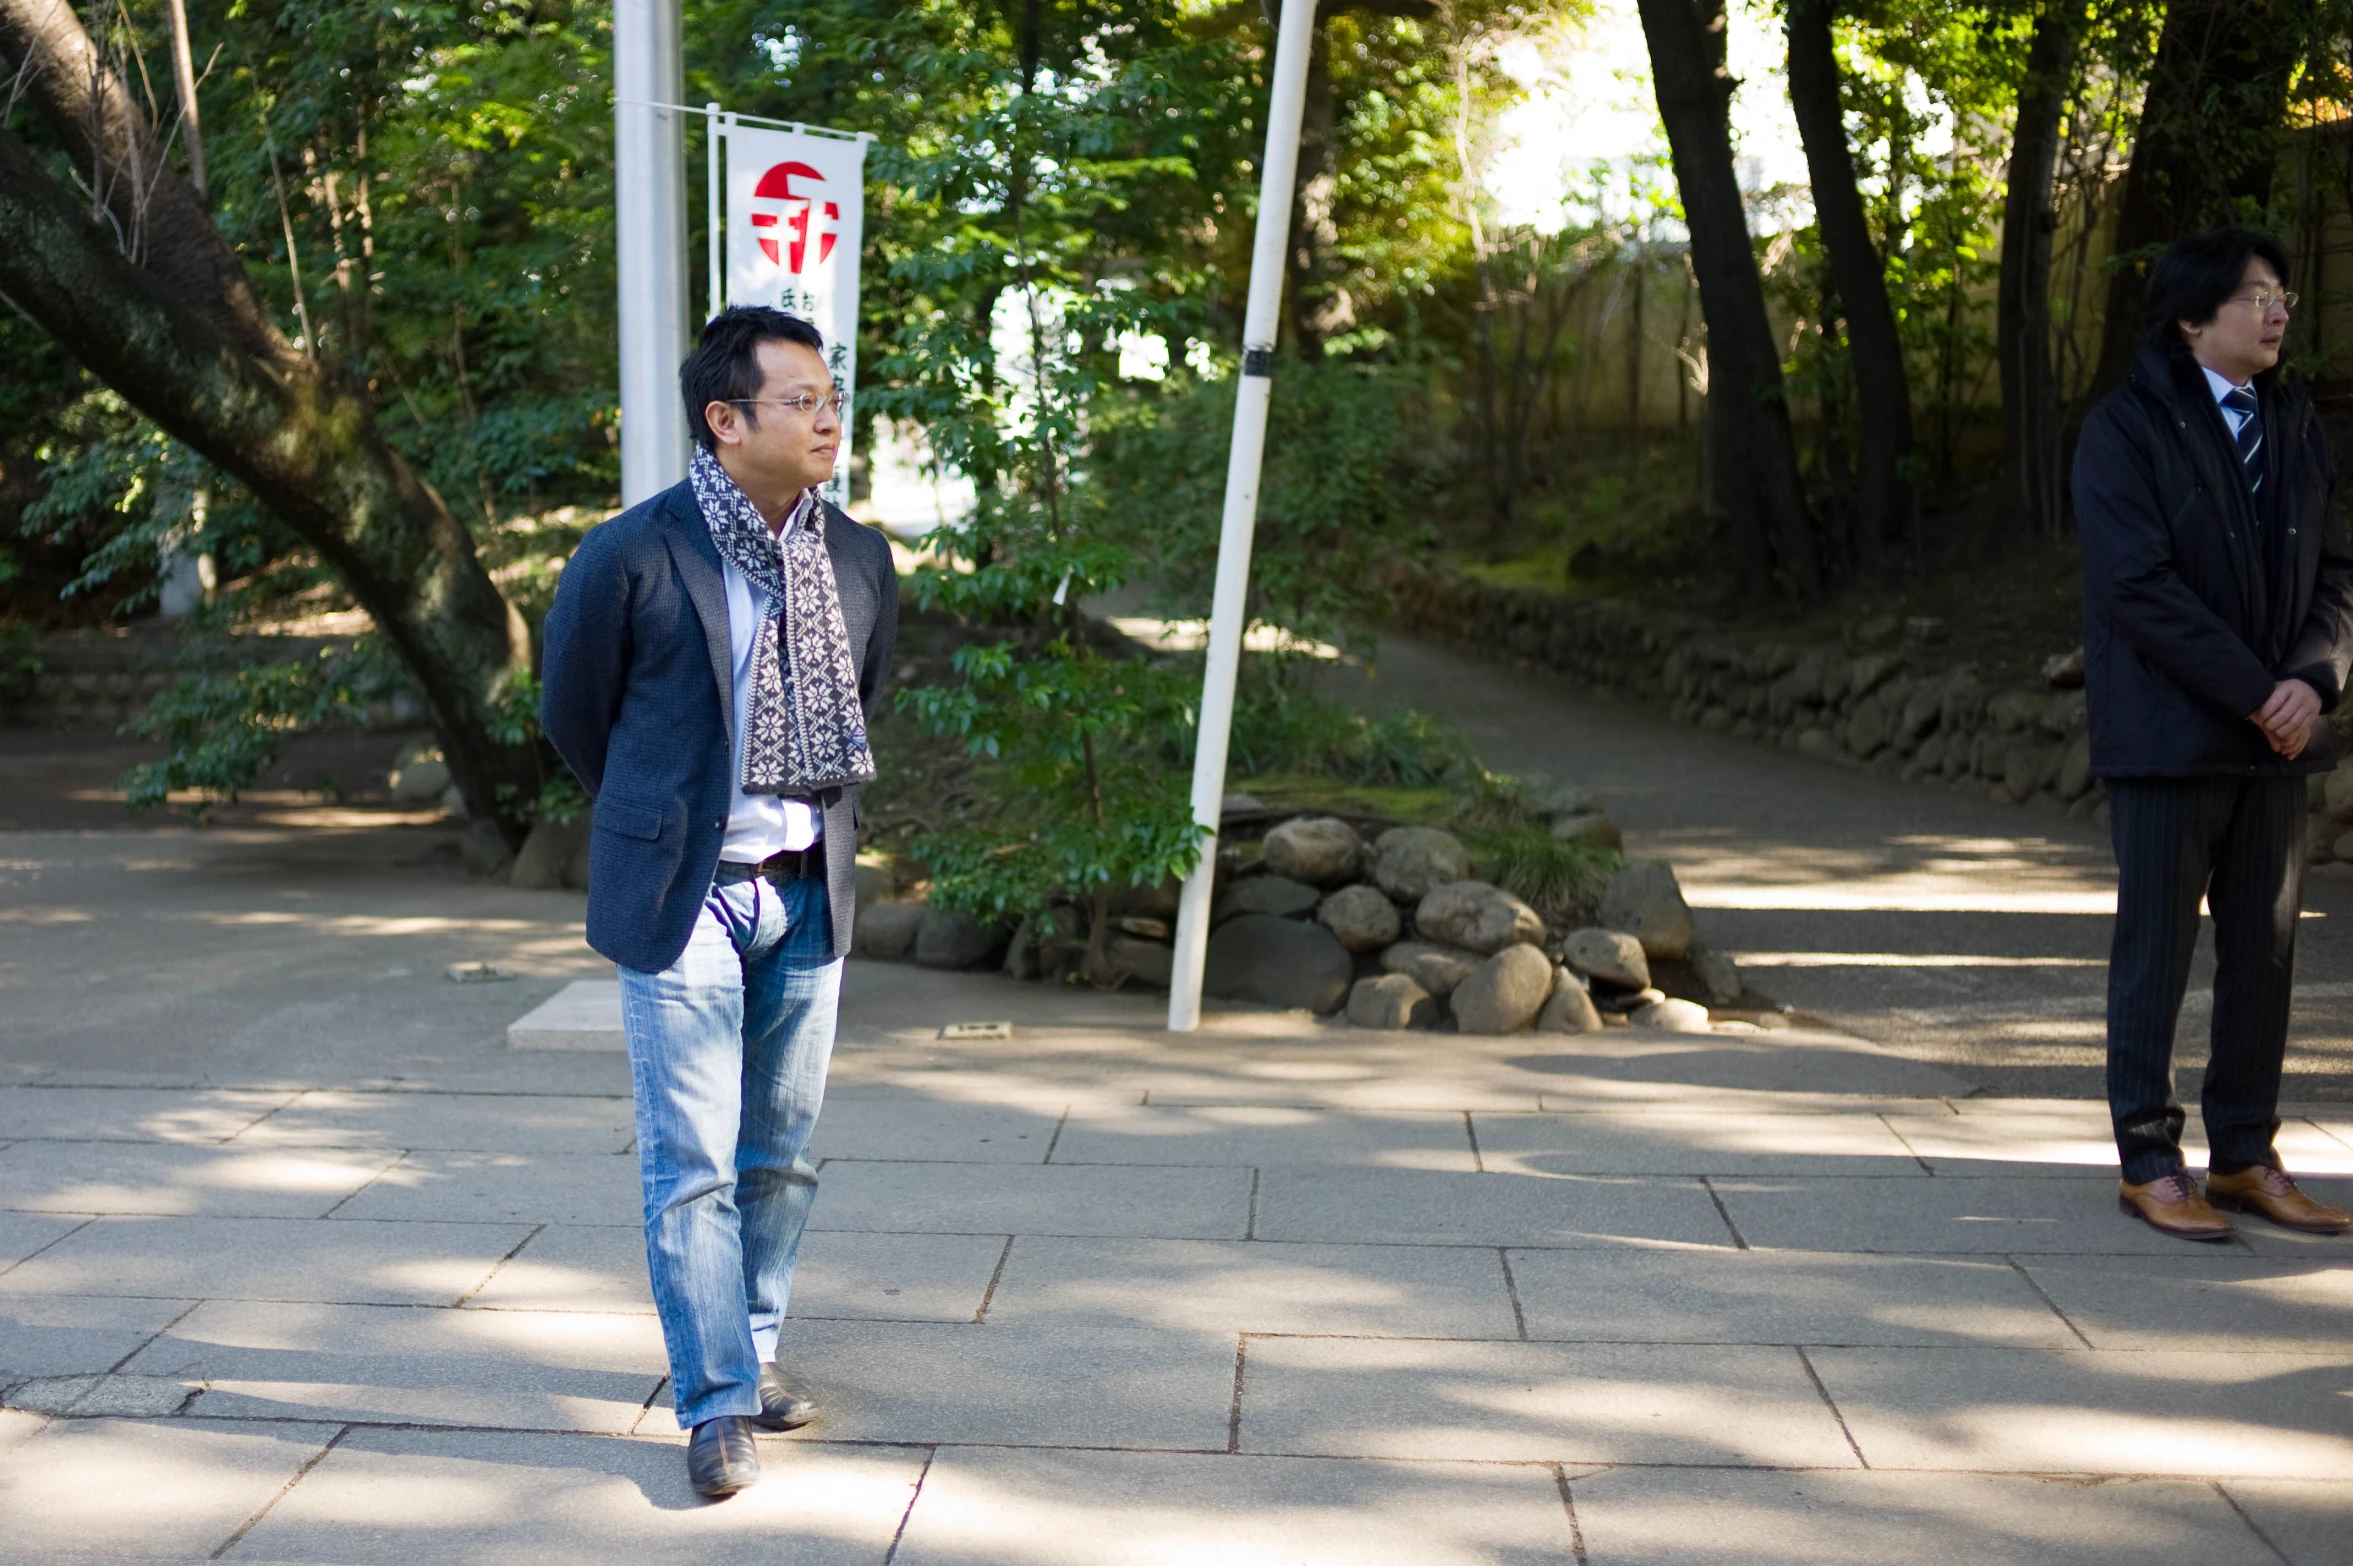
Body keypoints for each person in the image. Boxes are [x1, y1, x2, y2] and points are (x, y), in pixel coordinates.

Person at [540, 305, 898, 1495]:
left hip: (805, 884)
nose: (827, 417)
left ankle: (748, 1353)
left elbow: (866, 702)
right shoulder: (634, 554)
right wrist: (658, 815)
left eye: (829, 396)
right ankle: (711, 1406)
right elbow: (573, 714)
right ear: (725, 419)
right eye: (800, 400)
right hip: (686, 891)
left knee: (780, 1155)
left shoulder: (856, 555)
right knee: (688, 1158)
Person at [2076, 227, 2353, 1242]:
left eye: (2282, 292)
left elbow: (2335, 574)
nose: (2278, 310)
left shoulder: (2294, 424)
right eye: (2255, 295)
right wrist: (2257, 691)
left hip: (2275, 738)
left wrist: (2312, 681)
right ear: (2193, 317)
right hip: (2166, 737)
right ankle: (2149, 1161)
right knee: (2156, 948)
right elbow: (2135, 586)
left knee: (2265, 951)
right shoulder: (2126, 429)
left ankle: (2242, 1154)